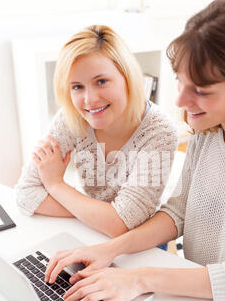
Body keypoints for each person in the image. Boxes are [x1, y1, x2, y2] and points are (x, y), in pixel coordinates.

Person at [44, 0, 225, 301]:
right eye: (180, 81)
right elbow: (179, 213)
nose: (180, 99)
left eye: (202, 90)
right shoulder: (209, 134)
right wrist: (109, 250)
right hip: (194, 294)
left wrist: (138, 279)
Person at [15, 25, 179, 238]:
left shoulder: (160, 131)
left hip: (140, 244)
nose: (89, 100)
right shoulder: (71, 117)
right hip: (88, 232)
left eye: (101, 81)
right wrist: (99, 217)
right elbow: (26, 194)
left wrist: (55, 185)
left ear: (127, 77)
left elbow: (124, 224)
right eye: (77, 87)